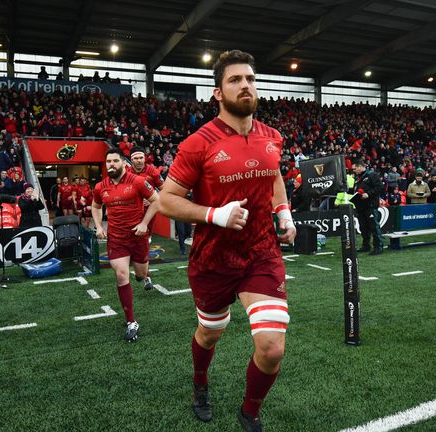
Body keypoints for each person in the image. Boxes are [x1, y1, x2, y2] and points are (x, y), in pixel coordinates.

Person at [158, 50, 296, 432]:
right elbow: (166, 200)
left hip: (261, 253)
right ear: (218, 92)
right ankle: (200, 382)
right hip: (213, 258)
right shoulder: (197, 144)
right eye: (235, 80)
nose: (245, 86)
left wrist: (283, 211)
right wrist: (213, 214)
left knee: (272, 347)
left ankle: (250, 411)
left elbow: (274, 176)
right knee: (210, 332)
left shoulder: (273, 137)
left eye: (250, 79)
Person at [91, 148, 159, 342]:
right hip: (117, 238)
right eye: (108, 162)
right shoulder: (100, 187)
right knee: (121, 275)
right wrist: (98, 226)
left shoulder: (137, 181)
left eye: (115, 161)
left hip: (138, 237)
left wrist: (144, 223)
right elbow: (95, 206)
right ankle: (131, 321)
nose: (111, 165)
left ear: (123, 163)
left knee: (141, 274)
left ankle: (142, 275)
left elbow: (157, 201)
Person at [352, 159, 384, 255]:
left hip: (370, 205)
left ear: (360, 166)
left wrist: (368, 194)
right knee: (363, 228)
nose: (353, 171)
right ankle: (366, 245)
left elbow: (380, 187)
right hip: (361, 207)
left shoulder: (372, 175)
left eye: (355, 169)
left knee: (374, 227)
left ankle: (378, 247)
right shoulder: (358, 178)